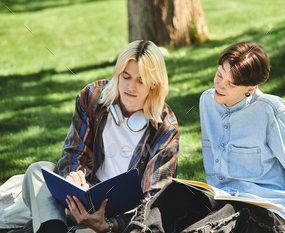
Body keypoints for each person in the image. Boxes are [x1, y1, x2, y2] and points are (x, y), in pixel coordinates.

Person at [125, 41, 285, 233]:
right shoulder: (208, 102)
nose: (219, 86)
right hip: (223, 203)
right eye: (219, 75)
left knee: (230, 211)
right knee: (173, 193)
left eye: (231, 83)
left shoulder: (270, 111)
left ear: (251, 87)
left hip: (270, 216)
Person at [10, 40, 180, 233]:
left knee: (85, 231)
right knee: (37, 171)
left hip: (120, 217)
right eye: (126, 77)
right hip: (81, 199)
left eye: (140, 81)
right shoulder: (93, 98)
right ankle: (54, 227)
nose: (130, 87)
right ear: (117, 74)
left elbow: (155, 202)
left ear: (154, 86)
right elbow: (73, 152)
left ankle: (57, 226)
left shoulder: (165, 129)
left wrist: (108, 225)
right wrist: (74, 175)